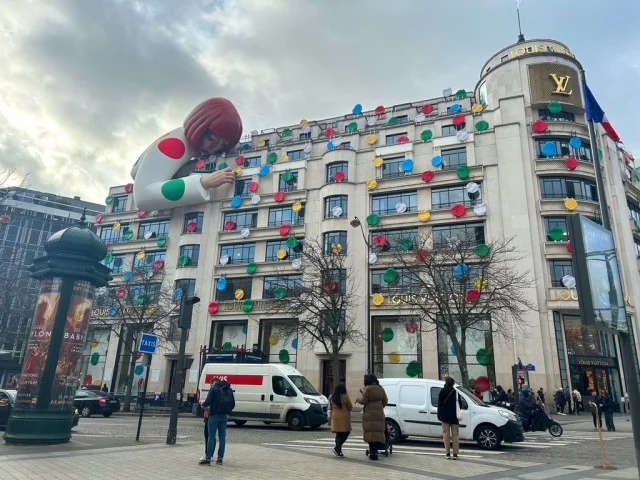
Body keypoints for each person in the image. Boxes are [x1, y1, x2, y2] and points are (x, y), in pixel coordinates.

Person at [131, 97, 243, 211]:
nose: (216, 148)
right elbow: (142, 196)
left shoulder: (188, 147)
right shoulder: (174, 146)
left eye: (222, 145)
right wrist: (203, 183)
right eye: (212, 140)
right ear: (200, 128)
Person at [200, 378, 235, 466]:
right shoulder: (229, 389)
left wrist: (202, 404)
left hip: (214, 415)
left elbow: (208, 402)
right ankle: (220, 459)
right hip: (224, 416)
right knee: (222, 437)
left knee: (211, 436)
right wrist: (227, 411)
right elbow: (232, 403)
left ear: (213, 383)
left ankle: (208, 458)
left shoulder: (214, 389)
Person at [356, 374, 387, 461]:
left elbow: (363, 401)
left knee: (370, 432)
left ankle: (372, 452)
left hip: (369, 413)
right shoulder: (380, 388)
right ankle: (375, 452)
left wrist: (358, 398)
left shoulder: (368, 389)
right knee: (377, 432)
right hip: (379, 413)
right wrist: (379, 407)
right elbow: (385, 400)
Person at [438, 376, 463, 460]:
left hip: (445, 417)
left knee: (446, 435)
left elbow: (439, 405)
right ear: (453, 383)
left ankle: (447, 453)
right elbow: (460, 405)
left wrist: (439, 415)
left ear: (445, 382)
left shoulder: (442, 391)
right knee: (455, 435)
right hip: (454, 417)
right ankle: (455, 454)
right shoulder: (455, 392)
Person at [329, 383, 352, 457]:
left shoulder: (332, 397)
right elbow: (350, 407)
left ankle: (338, 450)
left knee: (338, 434)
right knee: (346, 432)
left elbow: (330, 406)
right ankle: (337, 448)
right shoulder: (345, 397)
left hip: (335, 416)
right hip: (344, 417)